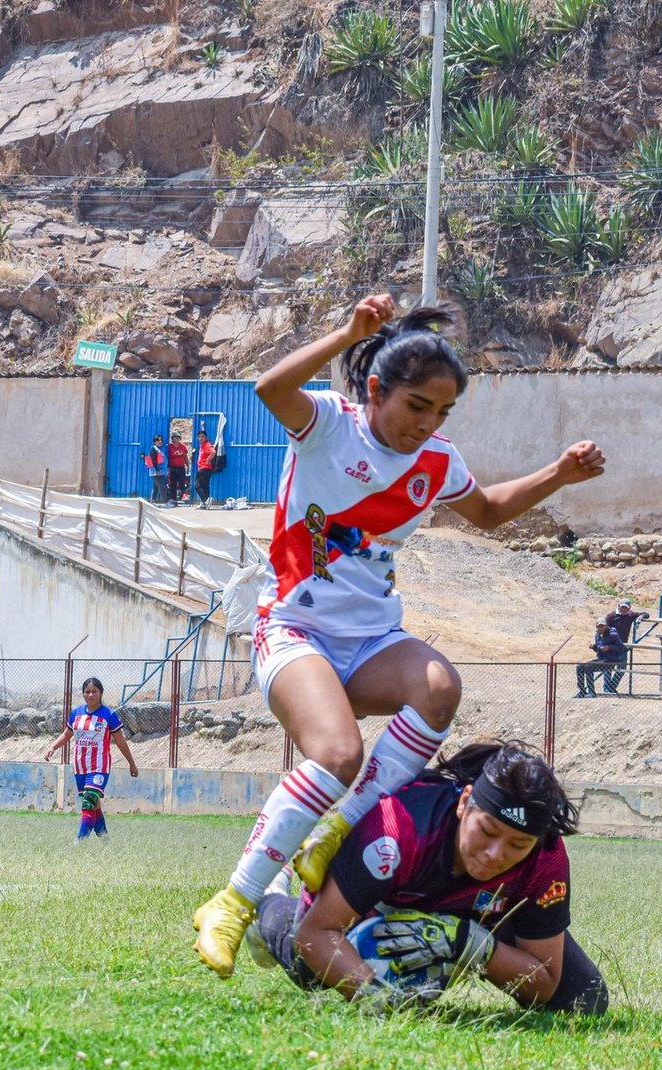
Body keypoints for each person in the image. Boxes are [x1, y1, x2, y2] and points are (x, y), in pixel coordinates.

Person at [191, 293, 605, 977]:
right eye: (418, 406)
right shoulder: (328, 425)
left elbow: (490, 511)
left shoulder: (436, 462)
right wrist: (345, 332)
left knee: (440, 685)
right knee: (337, 752)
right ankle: (232, 902)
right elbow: (269, 387)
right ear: (377, 389)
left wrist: (559, 473)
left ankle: (336, 830)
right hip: (295, 630)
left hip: (373, 638)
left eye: (442, 413)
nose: (429, 424)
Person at [248, 741, 608, 1014]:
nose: (496, 854)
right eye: (487, 830)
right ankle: (270, 900)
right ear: (465, 802)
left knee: (581, 998)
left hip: (479, 912)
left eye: (518, 844)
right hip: (384, 897)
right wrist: (378, 1000)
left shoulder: (545, 857)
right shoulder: (399, 827)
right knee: (308, 967)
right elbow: (317, 934)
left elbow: (544, 983)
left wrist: (470, 945)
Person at [45, 676, 139, 842]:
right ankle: (106, 842)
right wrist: (53, 747)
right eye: (87, 692)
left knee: (88, 803)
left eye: (94, 691)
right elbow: (67, 734)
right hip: (80, 767)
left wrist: (131, 763)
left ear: (101, 693)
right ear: (83, 694)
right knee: (94, 807)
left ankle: (79, 843)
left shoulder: (109, 715)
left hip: (99, 768)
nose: (90, 695)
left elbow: (121, 742)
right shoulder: (76, 713)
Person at [602, 598, 649, 692]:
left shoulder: (630, 615)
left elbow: (646, 614)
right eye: (622, 607)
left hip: (623, 645)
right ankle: (607, 688)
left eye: (626, 608)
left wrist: (640, 618)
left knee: (622, 667)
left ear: (629, 608)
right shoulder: (610, 616)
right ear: (618, 606)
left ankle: (611, 687)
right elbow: (603, 630)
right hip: (611, 645)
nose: (623, 609)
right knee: (608, 667)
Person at [574, 622, 623, 698]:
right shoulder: (597, 635)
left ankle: (592, 692)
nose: (600, 628)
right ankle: (582, 691)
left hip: (610, 660)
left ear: (606, 626)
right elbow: (599, 650)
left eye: (602, 626)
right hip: (601, 659)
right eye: (599, 626)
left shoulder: (613, 634)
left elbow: (621, 648)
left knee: (588, 667)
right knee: (579, 667)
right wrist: (594, 647)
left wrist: (609, 647)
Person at [194, 427, 216, 508]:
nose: (200, 438)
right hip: (202, 468)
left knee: (197, 485)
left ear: (206, 437)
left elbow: (213, 452)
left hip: (205, 468)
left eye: (202, 436)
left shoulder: (207, 444)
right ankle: (204, 503)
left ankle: (206, 500)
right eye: (199, 437)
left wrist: (208, 460)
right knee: (204, 486)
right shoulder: (202, 445)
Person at [144, 435, 167, 502]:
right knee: (162, 487)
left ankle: (152, 500)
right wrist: (157, 470)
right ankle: (166, 502)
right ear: (154, 441)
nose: (160, 441)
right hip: (156, 472)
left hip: (160, 472)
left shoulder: (160, 450)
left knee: (156, 487)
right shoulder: (153, 449)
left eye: (161, 440)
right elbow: (153, 460)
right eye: (158, 440)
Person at [168, 433, 190, 503]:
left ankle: (184, 496)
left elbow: (185, 457)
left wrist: (188, 466)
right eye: (175, 437)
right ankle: (173, 499)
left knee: (182, 482)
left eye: (178, 437)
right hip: (172, 468)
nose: (176, 439)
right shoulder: (169, 447)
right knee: (173, 484)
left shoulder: (183, 447)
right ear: (172, 438)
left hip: (181, 467)